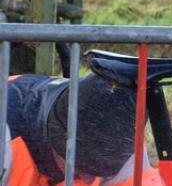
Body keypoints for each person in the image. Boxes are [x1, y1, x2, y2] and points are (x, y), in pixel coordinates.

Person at [3, 73, 140, 186]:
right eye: (82, 168)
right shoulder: (5, 137)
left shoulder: (117, 124)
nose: (90, 181)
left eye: (98, 172)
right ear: (58, 141)